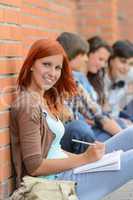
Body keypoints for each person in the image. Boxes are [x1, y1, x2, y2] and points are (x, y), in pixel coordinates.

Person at [10, 38, 133, 200]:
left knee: (130, 133)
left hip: (68, 170)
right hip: (55, 184)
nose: (52, 73)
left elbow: (54, 150)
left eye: (57, 68)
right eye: (46, 64)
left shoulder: (43, 100)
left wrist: (88, 159)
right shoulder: (28, 105)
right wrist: (84, 159)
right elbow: (34, 167)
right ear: (31, 64)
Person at [57, 32, 122, 153]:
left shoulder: (74, 83)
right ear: (72, 54)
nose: (86, 59)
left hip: (81, 136)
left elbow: (97, 114)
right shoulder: (51, 82)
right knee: (80, 128)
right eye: (83, 54)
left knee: (118, 130)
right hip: (62, 140)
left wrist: (123, 136)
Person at [104, 40, 133, 119]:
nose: (126, 68)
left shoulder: (126, 77)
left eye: (130, 64)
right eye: (123, 62)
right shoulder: (100, 78)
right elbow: (104, 111)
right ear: (111, 59)